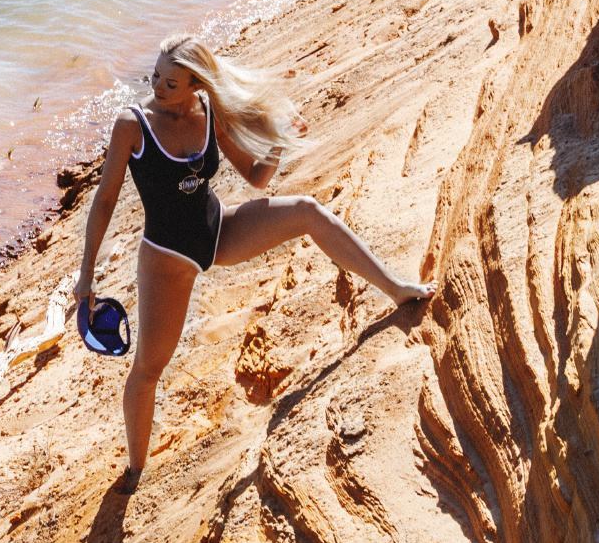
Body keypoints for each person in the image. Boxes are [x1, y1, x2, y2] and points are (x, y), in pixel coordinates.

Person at [70, 35, 434, 494]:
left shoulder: (209, 115)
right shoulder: (133, 125)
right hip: (167, 260)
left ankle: (397, 288)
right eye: (155, 77)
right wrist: (86, 274)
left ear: (196, 84)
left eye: (171, 82)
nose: (158, 88)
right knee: (148, 369)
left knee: (306, 210)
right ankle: (136, 470)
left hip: (218, 233)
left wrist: (283, 141)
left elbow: (257, 177)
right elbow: (103, 201)